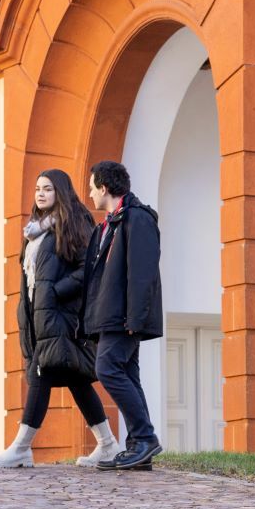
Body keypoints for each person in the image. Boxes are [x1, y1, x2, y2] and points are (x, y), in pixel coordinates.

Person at [0, 170, 121, 469]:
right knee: (76, 380)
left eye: (47, 188)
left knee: (41, 373)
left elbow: (89, 268)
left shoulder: (73, 222)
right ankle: (108, 445)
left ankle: (21, 447)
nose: (40, 194)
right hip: (40, 318)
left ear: (60, 191)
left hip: (62, 316)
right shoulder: (35, 232)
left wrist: (58, 291)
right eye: (37, 188)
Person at [82, 160, 163, 472]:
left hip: (124, 317)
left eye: (92, 188)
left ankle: (145, 437)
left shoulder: (136, 219)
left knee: (107, 368)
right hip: (112, 315)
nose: (90, 194)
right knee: (127, 374)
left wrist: (135, 318)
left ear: (104, 188)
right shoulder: (108, 225)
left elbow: (142, 273)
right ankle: (138, 447)